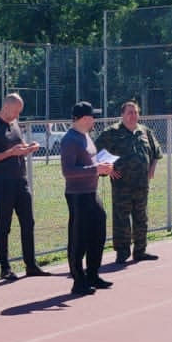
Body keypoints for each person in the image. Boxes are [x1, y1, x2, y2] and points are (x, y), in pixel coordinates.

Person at [0, 92, 46, 281]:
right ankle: (5, 267)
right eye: (15, 111)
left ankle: (31, 265)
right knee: (4, 225)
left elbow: (19, 147)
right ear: (6, 107)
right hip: (3, 183)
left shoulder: (15, 125)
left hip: (21, 180)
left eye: (19, 112)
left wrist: (28, 148)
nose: (17, 115)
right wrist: (9, 153)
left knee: (28, 222)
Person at [95, 100, 164, 263]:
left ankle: (140, 250)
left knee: (141, 218)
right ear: (122, 115)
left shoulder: (145, 132)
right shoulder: (111, 133)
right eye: (129, 112)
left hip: (142, 185)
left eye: (135, 112)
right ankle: (122, 251)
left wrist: (152, 168)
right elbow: (95, 153)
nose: (133, 116)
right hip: (121, 185)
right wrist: (108, 169)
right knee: (121, 219)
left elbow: (156, 152)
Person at [61, 101, 113, 296]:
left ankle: (92, 274)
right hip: (77, 195)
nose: (95, 120)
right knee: (78, 238)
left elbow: (91, 161)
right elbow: (68, 171)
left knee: (98, 232)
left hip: (91, 193)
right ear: (84, 118)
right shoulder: (70, 139)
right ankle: (78, 280)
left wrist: (104, 166)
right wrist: (95, 169)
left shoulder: (86, 136)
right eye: (92, 116)